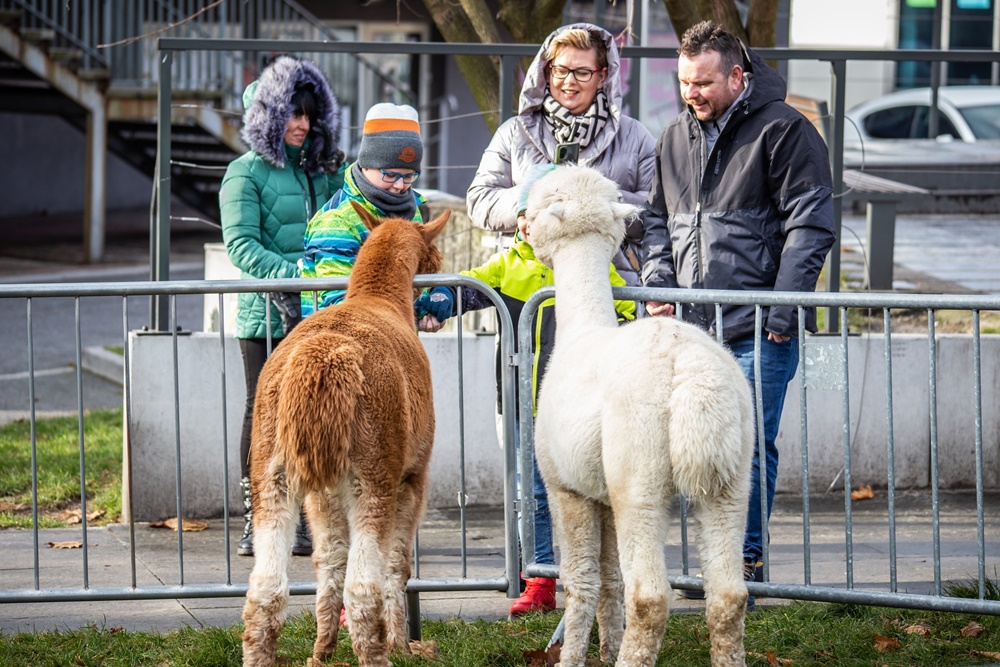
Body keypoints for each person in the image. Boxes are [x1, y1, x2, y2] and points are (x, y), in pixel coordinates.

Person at [640, 21, 837, 609]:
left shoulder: (785, 131)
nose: (690, 93)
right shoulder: (674, 135)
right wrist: (657, 281)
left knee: (749, 446)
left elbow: (811, 226)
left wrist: (781, 310)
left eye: (701, 82)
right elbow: (657, 222)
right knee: (691, 448)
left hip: (759, 326)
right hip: (692, 329)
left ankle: (739, 567)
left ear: (736, 75)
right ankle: (710, 565)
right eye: (683, 82)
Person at [466, 22, 656, 616]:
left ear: (605, 75)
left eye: (580, 71)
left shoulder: (634, 140)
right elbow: (479, 198)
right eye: (557, 69)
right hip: (529, 309)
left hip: (604, 309)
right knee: (529, 441)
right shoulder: (516, 133)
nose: (567, 82)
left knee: (604, 444)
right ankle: (541, 572)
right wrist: (526, 203)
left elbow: (654, 214)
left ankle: (607, 574)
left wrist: (597, 215)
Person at [419, 166, 635, 616]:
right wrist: (436, 300)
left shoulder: (596, 267)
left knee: (579, 494)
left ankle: (586, 575)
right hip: (522, 402)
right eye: (520, 214)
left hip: (577, 409)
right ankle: (537, 577)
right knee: (529, 491)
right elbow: (467, 288)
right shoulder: (508, 264)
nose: (524, 223)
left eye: (531, 214)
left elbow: (626, 314)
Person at [220, 55, 346, 559]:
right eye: (291, 114)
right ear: (269, 117)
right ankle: (261, 519)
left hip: (322, 316)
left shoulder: (324, 172)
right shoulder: (243, 172)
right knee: (264, 417)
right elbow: (243, 248)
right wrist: (303, 276)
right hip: (268, 319)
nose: (302, 124)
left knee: (314, 415)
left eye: (309, 114)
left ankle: (308, 520)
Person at [300, 102, 430, 316]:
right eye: (390, 175)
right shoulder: (337, 220)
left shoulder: (410, 209)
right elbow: (338, 300)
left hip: (391, 338)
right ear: (367, 164)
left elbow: (415, 279)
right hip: (339, 338)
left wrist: (427, 308)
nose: (399, 185)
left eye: (408, 176)